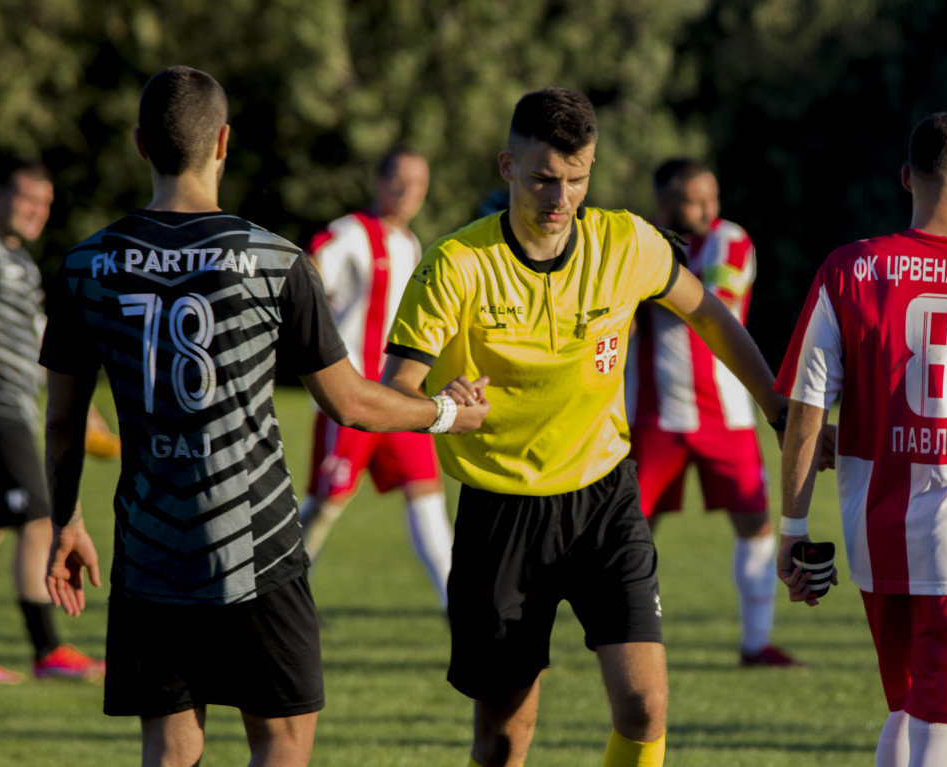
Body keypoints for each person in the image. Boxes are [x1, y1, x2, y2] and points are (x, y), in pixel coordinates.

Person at [38, 66, 489, 767]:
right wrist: (445, 413)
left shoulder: (86, 266)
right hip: (259, 547)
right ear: (223, 142)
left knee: (169, 746)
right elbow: (349, 401)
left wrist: (65, 519)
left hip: (150, 548)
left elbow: (64, 421)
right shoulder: (274, 260)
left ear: (138, 144)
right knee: (280, 744)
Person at [383, 88, 789, 767]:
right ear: (507, 166)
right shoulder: (456, 264)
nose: (560, 197)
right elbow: (394, 386)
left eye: (577, 178)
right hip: (503, 514)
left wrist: (776, 408)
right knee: (504, 738)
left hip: (605, 500)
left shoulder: (625, 242)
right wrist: (442, 406)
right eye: (544, 178)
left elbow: (709, 313)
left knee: (645, 707)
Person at [775, 112, 947, 767]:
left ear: (906, 178)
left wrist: (791, 528)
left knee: (904, 710)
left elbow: (806, 414)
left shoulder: (848, 269)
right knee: (941, 729)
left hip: (876, 532)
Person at [625, 158, 799, 668]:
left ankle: (756, 643)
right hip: (652, 419)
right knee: (629, 532)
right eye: (694, 200)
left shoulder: (731, 241)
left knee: (754, 526)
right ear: (664, 204)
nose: (708, 209)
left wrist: (637, 289)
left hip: (727, 417)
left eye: (712, 198)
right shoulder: (641, 241)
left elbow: (709, 301)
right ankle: (621, 637)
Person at [0, 157, 106, 684]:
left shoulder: (17, 262)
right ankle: (47, 650)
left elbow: (41, 347)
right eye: (26, 199)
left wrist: (87, 412)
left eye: (44, 203)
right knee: (44, 518)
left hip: (11, 406)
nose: (37, 211)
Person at [298, 146, 453, 610]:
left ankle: (457, 609)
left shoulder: (409, 243)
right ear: (380, 183)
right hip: (351, 398)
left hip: (401, 398)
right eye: (400, 182)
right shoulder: (350, 233)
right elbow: (308, 269)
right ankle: (277, 597)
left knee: (428, 498)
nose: (409, 193)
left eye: (418, 184)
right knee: (324, 506)